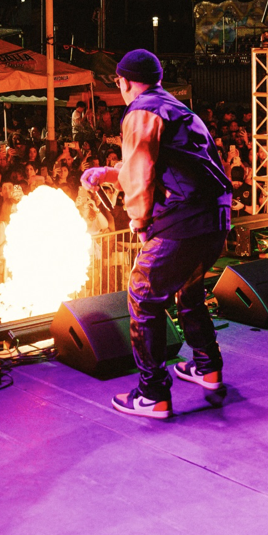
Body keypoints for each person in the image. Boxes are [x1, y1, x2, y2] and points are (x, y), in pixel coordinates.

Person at [82, 49, 231, 419]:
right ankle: (207, 367)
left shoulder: (141, 110)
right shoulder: (178, 109)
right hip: (214, 218)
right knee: (189, 291)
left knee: (143, 297)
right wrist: (108, 173)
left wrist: (140, 221)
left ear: (123, 81)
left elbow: (143, 173)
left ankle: (152, 395)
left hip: (182, 220)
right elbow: (163, 164)